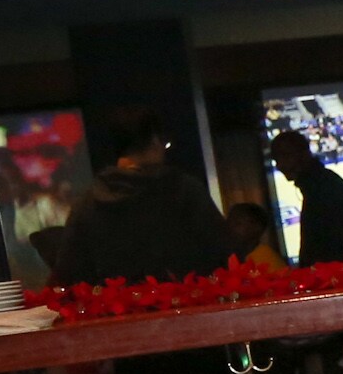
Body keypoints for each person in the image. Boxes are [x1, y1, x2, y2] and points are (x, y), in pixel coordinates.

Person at [51, 106, 233, 289]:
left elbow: (68, 274)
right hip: (186, 307)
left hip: (116, 312)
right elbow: (226, 254)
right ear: (154, 140)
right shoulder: (183, 190)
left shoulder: (87, 203)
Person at [271, 128, 343, 265]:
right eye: (277, 159)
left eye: (286, 156)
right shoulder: (322, 182)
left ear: (304, 153)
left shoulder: (319, 188)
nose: (281, 164)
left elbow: (320, 250)